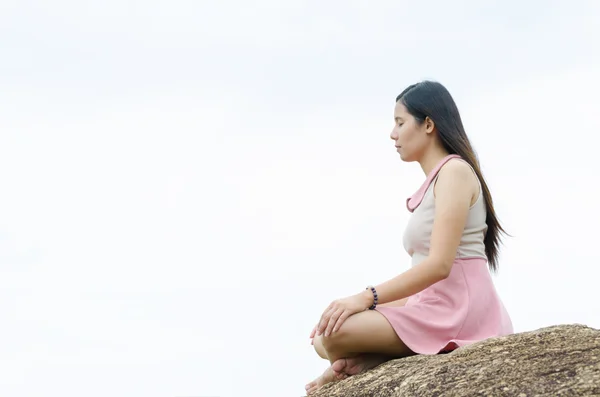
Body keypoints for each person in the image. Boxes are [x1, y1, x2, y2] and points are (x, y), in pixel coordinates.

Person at [305, 80, 514, 395]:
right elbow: (427, 282)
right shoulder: (438, 180)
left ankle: (375, 357)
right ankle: (372, 359)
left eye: (400, 122)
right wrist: (360, 308)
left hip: (461, 310)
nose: (393, 133)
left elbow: (439, 266)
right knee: (324, 336)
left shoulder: (455, 172)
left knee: (334, 336)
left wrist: (365, 298)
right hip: (433, 304)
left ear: (428, 124)